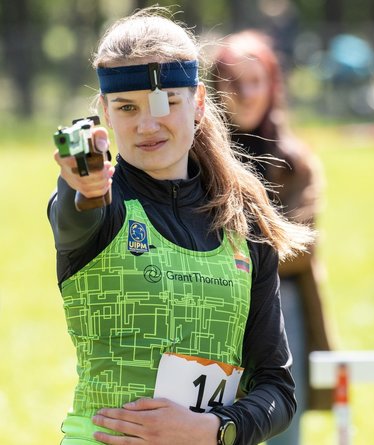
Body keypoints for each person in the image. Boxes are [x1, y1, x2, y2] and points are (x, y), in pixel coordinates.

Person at [48, 8, 314, 445]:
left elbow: (277, 391)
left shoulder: (243, 216)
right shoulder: (99, 203)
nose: (147, 125)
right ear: (105, 112)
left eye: (167, 102)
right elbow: (75, 211)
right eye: (126, 107)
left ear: (199, 102)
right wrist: (81, 185)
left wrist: (210, 430)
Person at [211, 30, 332, 445]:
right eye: (233, 82)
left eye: (255, 81)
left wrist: (228, 256)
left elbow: (299, 246)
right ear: (214, 89)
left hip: (281, 301)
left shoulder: (295, 162)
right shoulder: (195, 161)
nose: (245, 93)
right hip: (212, 297)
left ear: (272, 86)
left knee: (279, 420)